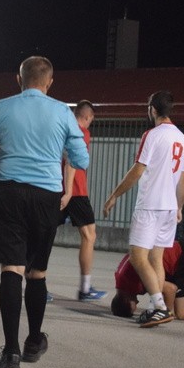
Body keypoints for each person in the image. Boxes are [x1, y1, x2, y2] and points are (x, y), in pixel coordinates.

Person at [0, 56, 89, 368]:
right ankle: (33, 342)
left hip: (9, 193)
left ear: (19, 79)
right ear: (49, 82)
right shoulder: (62, 112)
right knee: (37, 272)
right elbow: (81, 160)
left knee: (11, 269)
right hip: (46, 197)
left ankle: (10, 352)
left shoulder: (2, 107)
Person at [102, 90, 184, 328]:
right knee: (155, 258)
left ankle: (160, 307)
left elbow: (138, 170)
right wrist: (179, 207)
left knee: (137, 256)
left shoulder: (152, 135)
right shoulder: (182, 138)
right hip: (169, 208)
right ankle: (154, 308)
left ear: (153, 109)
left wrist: (114, 195)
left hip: (151, 205)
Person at [60, 100, 105, 301]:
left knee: (43, 234)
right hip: (75, 191)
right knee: (89, 235)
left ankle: (35, 282)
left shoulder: (64, 130)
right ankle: (85, 289)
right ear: (87, 117)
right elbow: (72, 162)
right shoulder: (82, 133)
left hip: (58, 188)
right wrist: (70, 191)